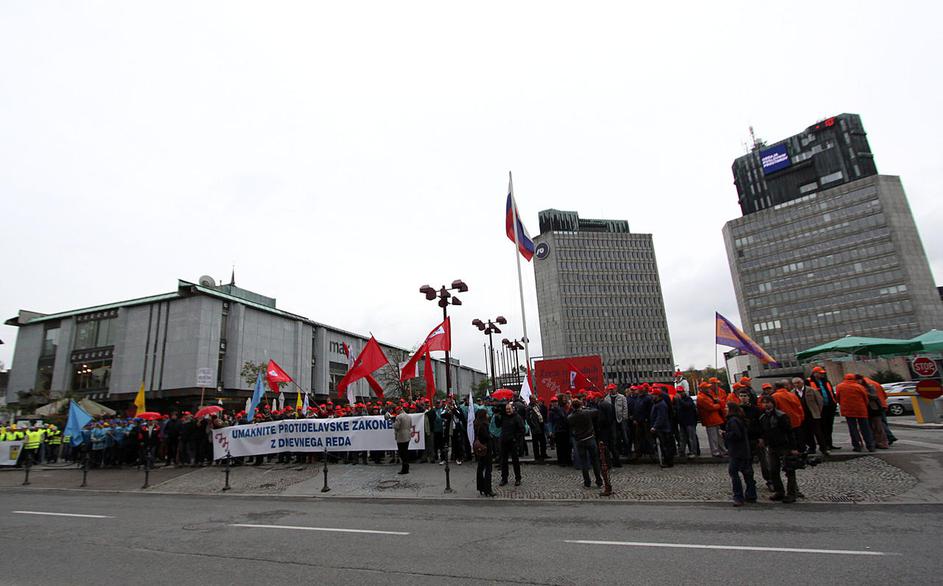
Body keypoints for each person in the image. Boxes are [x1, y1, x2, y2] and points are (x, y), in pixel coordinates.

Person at [758, 394, 800, 503]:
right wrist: (763, 439)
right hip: (772, 446)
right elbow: (763, 431)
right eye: (764, 402)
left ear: (773, 403)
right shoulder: (763, 417)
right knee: (773, 470)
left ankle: (792, 493)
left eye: (768, 402)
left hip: (784, 445)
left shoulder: (781, 416)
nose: (766, 405)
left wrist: (793, 447)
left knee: (789, 470)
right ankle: (779, 491)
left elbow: (789, 432)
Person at [724, 403, 756, 506]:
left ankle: (738, 496)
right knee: (747, 473)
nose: (725, 409)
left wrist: (725, 434)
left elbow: (736, 435)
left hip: (737, 451)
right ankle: (751, 495)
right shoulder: (739, 419)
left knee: (734, 472)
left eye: (726, 407)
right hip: (744, 450)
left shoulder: (733, 420)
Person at [567, 399, 604, 489]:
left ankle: (587, 483)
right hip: (590, 438)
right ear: (580, 405)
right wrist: (585, 408)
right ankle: (599, 481)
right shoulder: (587, 413)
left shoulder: (570, 417)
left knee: (584, 462)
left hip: (580, 440)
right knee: (595, 461)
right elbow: (596, 411)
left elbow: (570, 425)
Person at [835, 373, 875, 452]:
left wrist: (842, 404)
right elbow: (865, 398)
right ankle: (870, 445)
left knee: (853, 429)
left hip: (847, 410)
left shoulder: (839, 386)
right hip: (860, 409)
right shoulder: (859, 386)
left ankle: (857, 446)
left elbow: (838, 398)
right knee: (865, 428)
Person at [791, 377, 828, 456]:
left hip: (813, 415)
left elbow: (820, 401)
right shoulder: (792, 393)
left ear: (802, 382)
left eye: (798, 383)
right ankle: (812, 448)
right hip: (802, 416)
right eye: (795, 383)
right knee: (807, 433)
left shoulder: (811, 390)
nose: (797, 385)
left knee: (818, 432)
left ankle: (823, 448)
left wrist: (818, 411)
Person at [808, 367, 840, 450]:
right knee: (822, 427)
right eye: (820, 373)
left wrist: (834, 403)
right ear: (815, 373)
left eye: (823, 373)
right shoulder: (808, 382)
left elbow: (831, 393)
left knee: (829, 426)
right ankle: (824, 445)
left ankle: (829, 444)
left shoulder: (826, 381)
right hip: (819, 408)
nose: (822, 374)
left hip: (829, 406)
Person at [496, 402, 524, 486]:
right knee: (503, 461)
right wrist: (497, 416)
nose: (508, 411)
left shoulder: (517, 417)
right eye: (506, 409)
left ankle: (518, 478)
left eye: (509, 409)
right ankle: (504, 478)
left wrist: (515, 439)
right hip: (504, 441)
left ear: (513, 409)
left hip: (513, 442)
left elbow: (521, 430)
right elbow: (498, 425)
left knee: (515, 461)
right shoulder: (504, 416)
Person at [697, 382, 727, 457]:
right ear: (702, 389)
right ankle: (715, 452)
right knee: (713, 438)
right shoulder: (701, 397)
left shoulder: (707, 395)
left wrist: (716, 403)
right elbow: (711, 407)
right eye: (707, 387)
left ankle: (723, 451)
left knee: (719, 437)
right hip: (710, 420)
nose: (708, 388)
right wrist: (719, 404)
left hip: (715, 419)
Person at [650, 389, 675, 468]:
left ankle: (669, 461)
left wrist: (655, 426)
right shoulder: (657, 403)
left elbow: (661, 417)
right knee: (663, 445)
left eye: (653, 395)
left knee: (666, 446)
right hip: (661, 428)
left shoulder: (661, 404)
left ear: (657, 396)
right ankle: (666, 460)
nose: (652, 396)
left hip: (663, 428)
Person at [474, 409, 495, 496]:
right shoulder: (484, 425)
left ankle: (481, 487)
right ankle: (488, 489)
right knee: (488, 469)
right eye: (486, 414)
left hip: (480, 449)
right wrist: (491, 436)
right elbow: (486, 437)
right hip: (486, 449)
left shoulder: (477, 424)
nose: (488, 415)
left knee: (480, 468)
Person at [673, 387, 699, 458]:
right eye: (678, 392)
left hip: (690, 421)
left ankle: (694, 452)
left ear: (684, 392)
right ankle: (682, 452)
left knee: (691, 438)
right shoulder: (677, 401)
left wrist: (680, 400)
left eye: (680, 392)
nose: (679, 393)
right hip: (682, 422)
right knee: (682, 438)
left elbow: (687, 406)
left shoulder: (688, 399)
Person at [548, 396, 571, 467]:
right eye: (553, 402)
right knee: (559, 447)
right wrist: (550, 431)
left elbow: (566, 418)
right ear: (551, 403)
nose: (554, 403)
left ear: (557, 402)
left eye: (555, 401)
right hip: (558, 431)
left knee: (566, 446)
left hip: (564, 430)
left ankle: (568, 460)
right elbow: (550, 422)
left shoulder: (561, 409)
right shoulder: (551, 412)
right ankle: (561, 461)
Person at [393, 405, 412, 474]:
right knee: (405, 451)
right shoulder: (409, 416)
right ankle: (406, 467)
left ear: (399, 410)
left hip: (401, 436)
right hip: (407, 435)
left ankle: (404, 469)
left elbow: (396, 426)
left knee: (402, 453)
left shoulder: (398, 417)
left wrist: (393, 423)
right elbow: (410, 425)